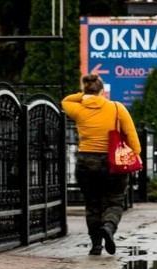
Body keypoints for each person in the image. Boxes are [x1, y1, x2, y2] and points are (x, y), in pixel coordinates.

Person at [61, 74, 141, 255]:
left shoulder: (78, 109)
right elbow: (131, 134)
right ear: (103, 91)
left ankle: (96, 245)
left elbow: (65, 100)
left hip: (86, 162)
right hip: (113, 162)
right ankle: (109, 227)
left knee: (92, 203)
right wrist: (136, 153)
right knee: (114, 200)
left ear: (85, 89)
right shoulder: (116, 107)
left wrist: (83, 95)